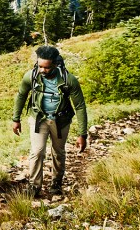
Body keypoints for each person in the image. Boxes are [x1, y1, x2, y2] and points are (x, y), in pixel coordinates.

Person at [11, 45, 88, 198]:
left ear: (55, 64)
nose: (42, 70)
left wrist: (82, 134)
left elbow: (80, 106)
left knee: (58, 152)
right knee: (37, 151)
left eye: (46, 67)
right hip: (38, 118)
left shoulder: (69, 80)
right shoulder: (31, 76)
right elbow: (21, 95)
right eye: (40, 66)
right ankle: (34, 186)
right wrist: (16, 119)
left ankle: (56, 183)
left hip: (61, 120)